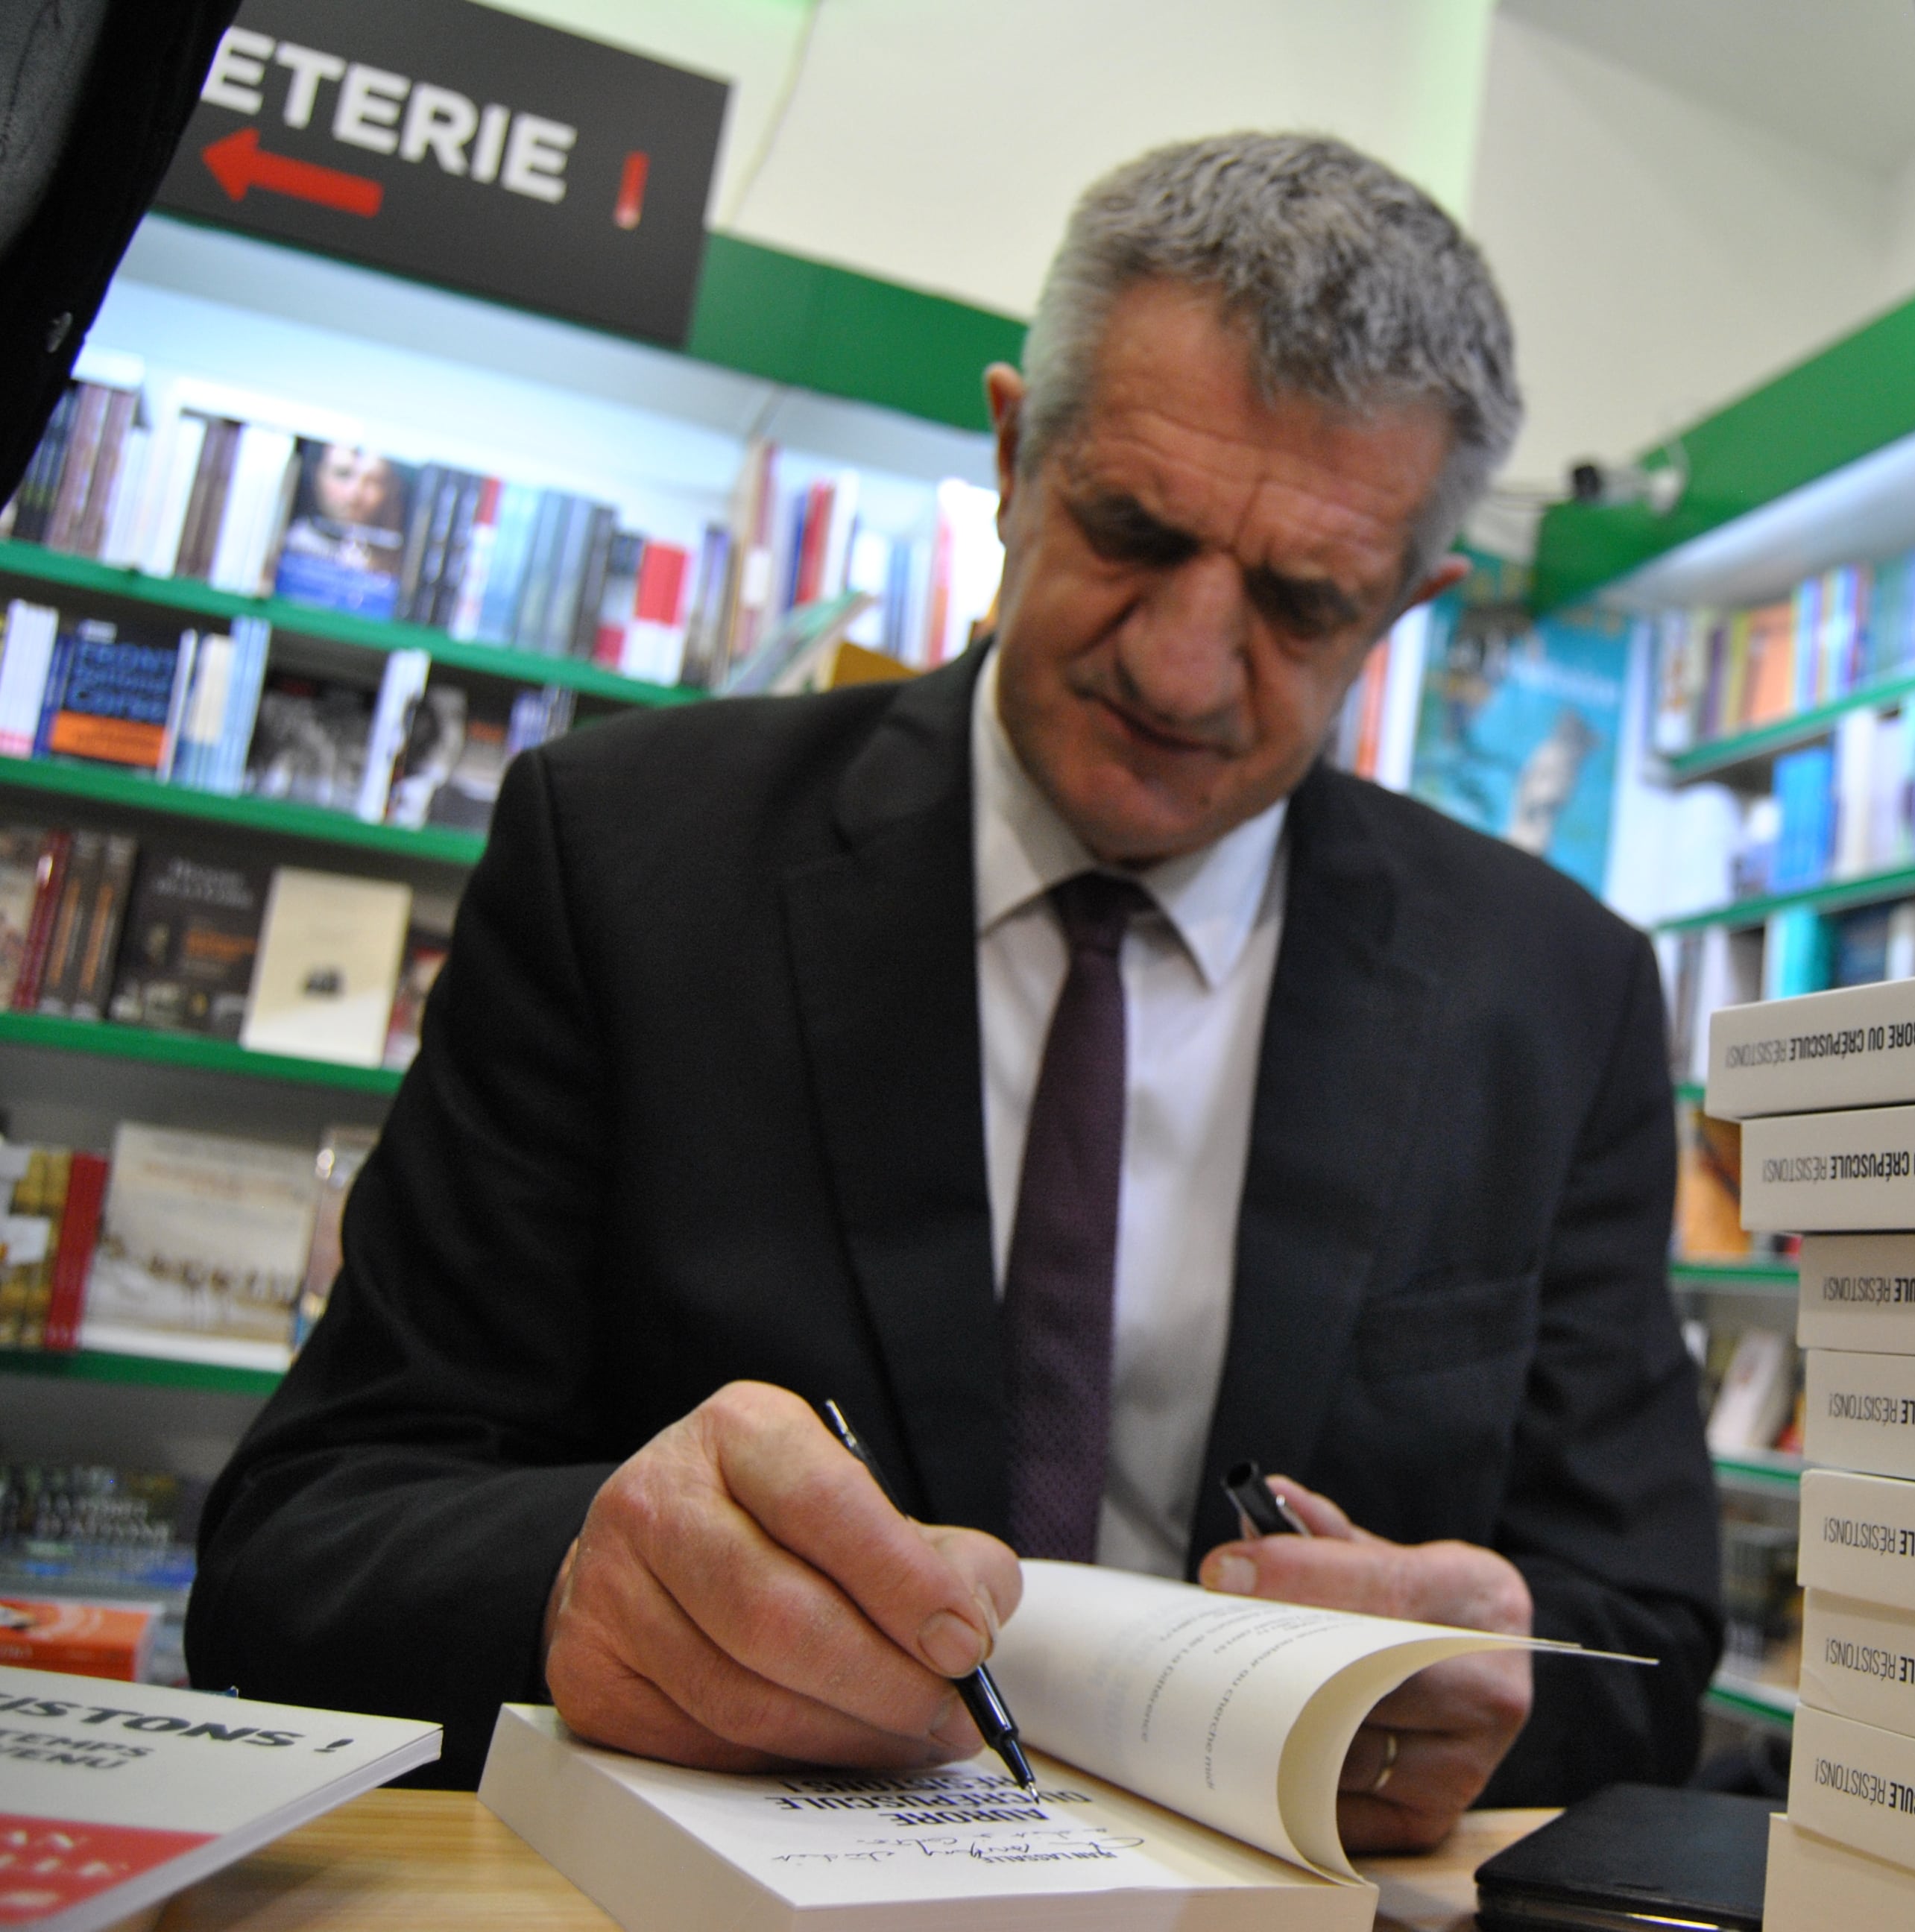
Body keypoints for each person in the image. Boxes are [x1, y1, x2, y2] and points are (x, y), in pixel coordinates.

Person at [188, 133, 1720, 1850]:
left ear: (1409, 611)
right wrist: (579, 1587)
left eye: (1303, 605)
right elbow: (302, 1541)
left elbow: (1644, 1642)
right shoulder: (626, 858)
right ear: (1009, 454)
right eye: (1131, 531)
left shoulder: (1554, 992)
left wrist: (1492, 1679)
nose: (1184, 665)